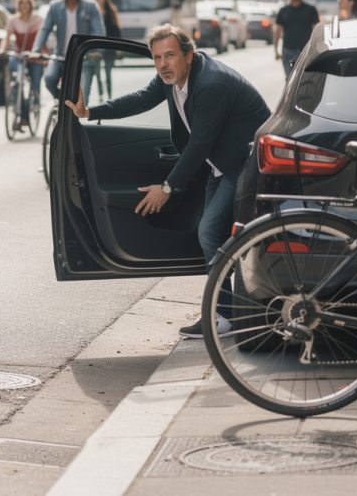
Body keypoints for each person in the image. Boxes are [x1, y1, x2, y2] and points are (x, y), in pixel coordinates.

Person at [62, 23, 271, 338]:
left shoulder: (211, 84)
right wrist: (89, 112)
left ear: (188, 54)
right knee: (213, 236)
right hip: (220, 165)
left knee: (209, 232)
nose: (163, 64)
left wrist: (168, 188)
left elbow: (199, 144)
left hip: (243, 164)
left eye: (170, 56)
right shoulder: (173, 79)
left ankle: (226, 315)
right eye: (157, 57)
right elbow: (140, 99)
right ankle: (227, 311)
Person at [34, 0, 105, 103]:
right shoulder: (55, 7)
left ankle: (74, 113)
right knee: (49, 79)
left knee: (81, 98)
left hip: (84, 58)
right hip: (60, 56)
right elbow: (45, 29)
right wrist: (36, 49)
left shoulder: (90, 6)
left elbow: (99, 31)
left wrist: (94, 50)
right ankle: (62, 103)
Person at [4, 0, 45, 130]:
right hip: (19, 55)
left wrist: (38, 52)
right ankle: (18, 103)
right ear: (18, 5)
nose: (24, 5)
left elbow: (42, 38)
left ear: (31, 4)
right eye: (21, 3)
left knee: (35, 83)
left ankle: (34, 103)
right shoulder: (13, 20)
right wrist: (3, 49)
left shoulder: (38, 20)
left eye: (27, 2)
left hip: (34, 56)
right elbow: (7, 38)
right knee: (16, 79)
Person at [274, 0, 319, 79]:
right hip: (288, 51)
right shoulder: (283, 11)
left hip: (305, 51)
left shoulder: (310, 10)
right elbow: (277, 31)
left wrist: (316, 49)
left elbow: (316, 30)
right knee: (290, 80)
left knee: (304, 79)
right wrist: (276, 50)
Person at [93, 0, 121, 99]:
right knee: (98, 73)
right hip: (97, 47)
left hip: (109, 47)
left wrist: (118, 47)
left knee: (108, 74)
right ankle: (101, 94)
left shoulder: (111, 11)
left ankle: (109, 96)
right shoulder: (93, 11)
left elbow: (116, 30)